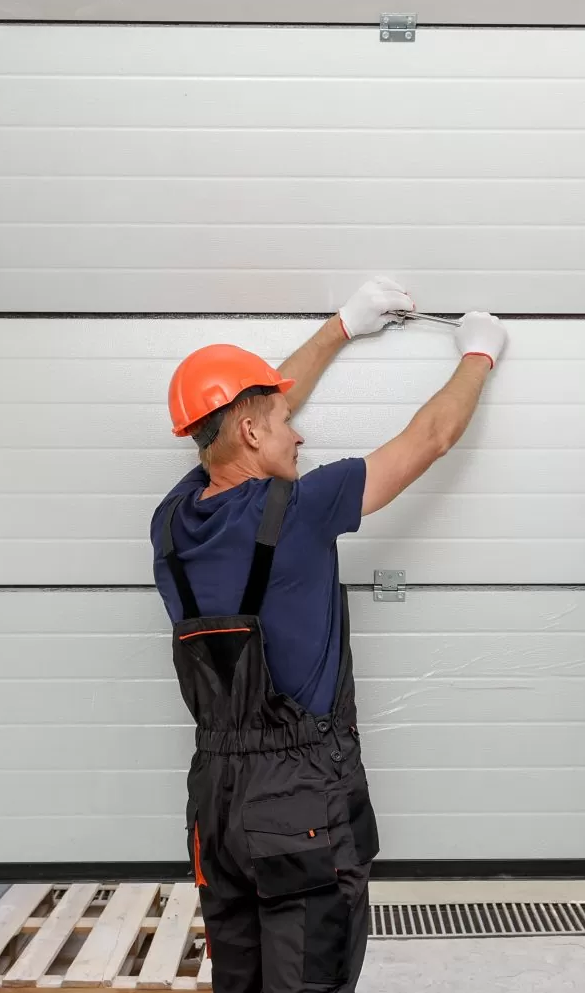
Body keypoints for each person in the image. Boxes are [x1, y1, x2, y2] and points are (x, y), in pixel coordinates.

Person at [151, 277, 508, 993]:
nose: (300, 430)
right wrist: (480, 353)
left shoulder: (173, 520)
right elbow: (432, 437)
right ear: (252, 432)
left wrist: (343, 326)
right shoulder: (304, 508)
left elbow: (245, 414)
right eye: (284, 422)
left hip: (217, 802)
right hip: (299, 800)